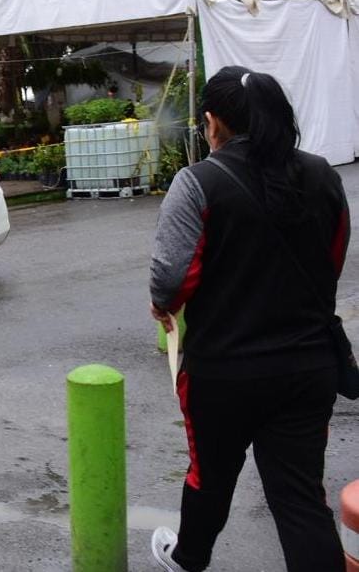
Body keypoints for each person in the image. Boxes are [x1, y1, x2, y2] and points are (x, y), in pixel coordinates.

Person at [149, 66, 348, 572]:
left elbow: (170, 278)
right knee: (300, 495)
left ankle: (188, 558)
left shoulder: (198, 182)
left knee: (210, 476)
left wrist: (163, 306)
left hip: (224, 372)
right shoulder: (324, 173)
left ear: (213, 122)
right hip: (308, 367)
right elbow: (333, 260)